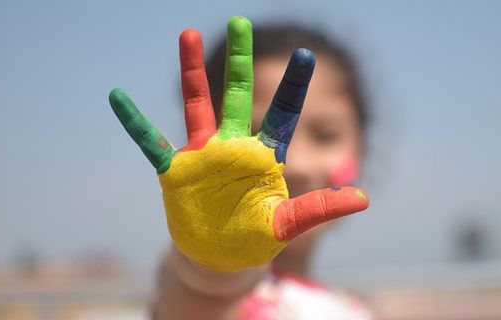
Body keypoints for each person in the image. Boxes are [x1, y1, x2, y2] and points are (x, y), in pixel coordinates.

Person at [109, 16, 371, 319]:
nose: (297, 165)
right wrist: (217, 264)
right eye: (259, 134)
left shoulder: (353, 309)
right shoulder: (204, 282)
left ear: (361, 145)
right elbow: (199, 289)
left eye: (326, 135)